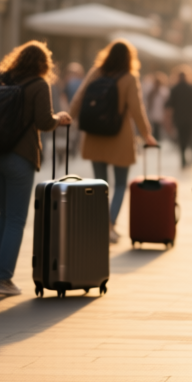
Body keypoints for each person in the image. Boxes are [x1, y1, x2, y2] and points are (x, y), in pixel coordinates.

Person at [0, 41, 72, 296]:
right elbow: (44, 122)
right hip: (19, 159)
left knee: (5, 210)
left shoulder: (0, 77)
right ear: (44, 64)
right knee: (16, 218)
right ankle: (4, 279)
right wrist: (60, 119)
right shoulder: (39, 85)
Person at [70, 40, 157, 244]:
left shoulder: (96, 72)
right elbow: (137, 109)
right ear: (129, 58)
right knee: (119, 185)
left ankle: (101, 225)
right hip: (119, 138)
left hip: (94, 136)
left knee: (100, 185)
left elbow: (79, 97)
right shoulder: (128, 77)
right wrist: (147, 134)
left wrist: (69, 116)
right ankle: (109, 225)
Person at [166, 64, 192, 169]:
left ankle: (183, 160)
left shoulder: (174, 89)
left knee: (181, 139)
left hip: (179, 118)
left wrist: (169, 121)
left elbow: (169, 105)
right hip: (191, 118)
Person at [144, 71, 170, 142]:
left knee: (158, 129)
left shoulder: (163, 91)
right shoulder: (151, 92)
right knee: (155, 129)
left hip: (160, 113)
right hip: (153, 113)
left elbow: (166, 103)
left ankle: (158, 141)